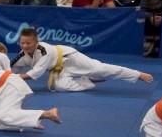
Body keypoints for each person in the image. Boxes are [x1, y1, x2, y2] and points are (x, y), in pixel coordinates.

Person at [10, 27, 151, 91]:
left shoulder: (43, 50)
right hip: (58, 69)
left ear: (36, 42)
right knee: (57, 87)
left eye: (28, 43)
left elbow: (37, 72)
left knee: (100, 69)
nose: (25, 46)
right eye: (22, 43)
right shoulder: (21, 55)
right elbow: (10, 70)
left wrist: (16, 78)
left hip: (69, 58)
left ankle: (137, 74)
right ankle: (87, 81)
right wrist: (8, 79)